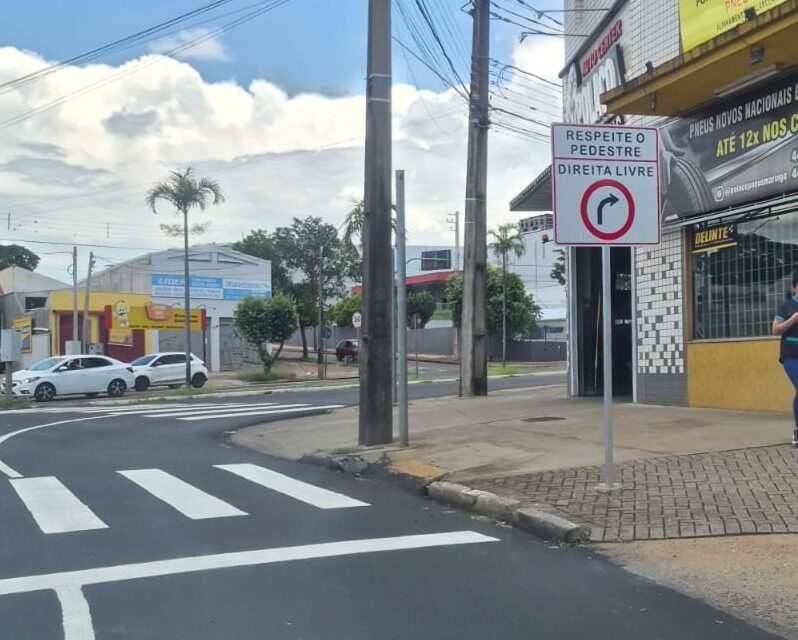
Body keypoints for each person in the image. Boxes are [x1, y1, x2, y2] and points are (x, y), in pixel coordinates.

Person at [772, 271, 798, 447]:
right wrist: (793, 320)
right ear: (795, 287)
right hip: (790, 354)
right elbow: (775, 330)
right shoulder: (786, 306)